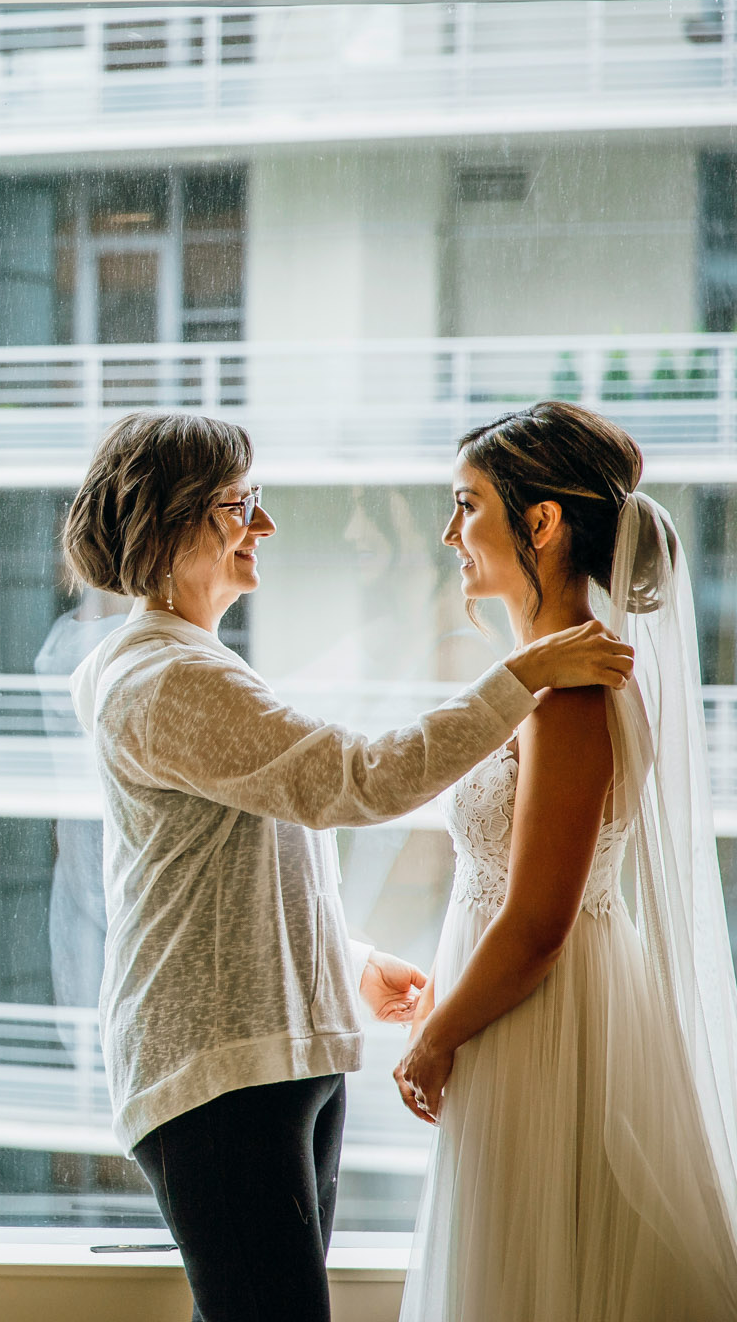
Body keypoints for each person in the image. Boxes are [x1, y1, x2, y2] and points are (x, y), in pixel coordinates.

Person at [62, 409, 633, 1322]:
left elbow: (229, 858)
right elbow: (357, 782)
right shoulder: (166, 680)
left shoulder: (187, 664)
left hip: (267, 1053)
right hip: (221, 1067)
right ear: (171, 524)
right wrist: (522, 676)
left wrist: (351, 958)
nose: (265, 525)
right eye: (241, 505)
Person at [393, 402, 737, 1320]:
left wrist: (434, 1041)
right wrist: (445, 994)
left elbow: (541, 920)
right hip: (513, 1006)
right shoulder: (548, 679)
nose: (449, 533)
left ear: (539, 522)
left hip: (543, 1024)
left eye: (466, 505)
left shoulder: (570, 698)